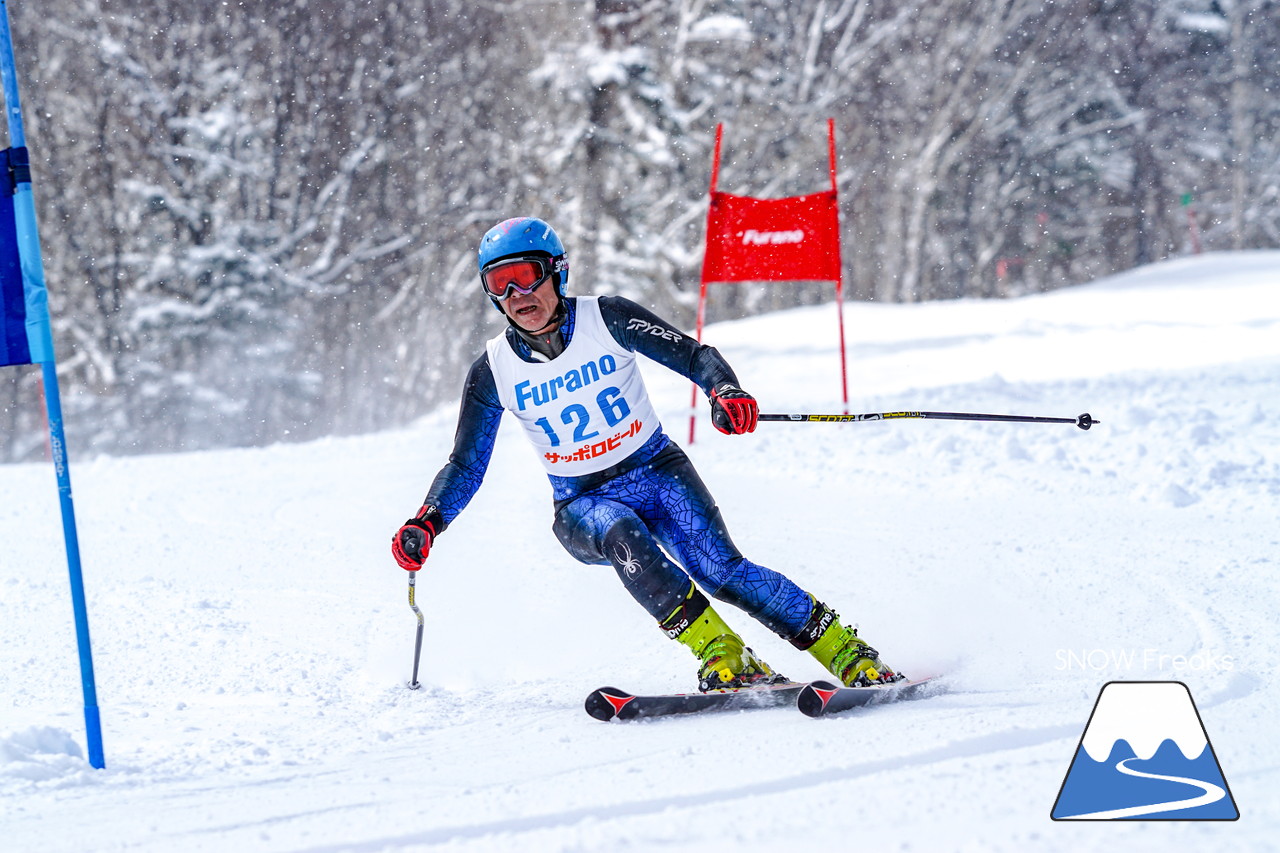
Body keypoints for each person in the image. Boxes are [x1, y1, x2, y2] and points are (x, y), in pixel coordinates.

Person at [392, 217, 901, 691]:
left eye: (525, 276)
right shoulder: (493, 370)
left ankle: (849, 654)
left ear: (556, 272)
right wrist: (427, 521)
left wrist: (725, 391)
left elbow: (695, 356)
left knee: (722, 571)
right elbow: (465, 466)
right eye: (498, 283)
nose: (516, 294)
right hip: (581, 503)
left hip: (657, 471)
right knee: (621, 533)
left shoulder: (606, 319)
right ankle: (723, 654)